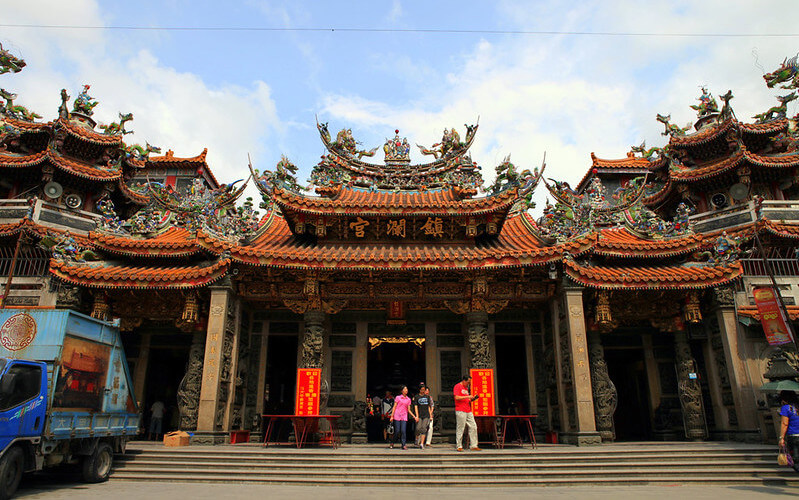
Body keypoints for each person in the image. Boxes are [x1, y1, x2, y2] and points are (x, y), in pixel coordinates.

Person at [453, 375, 481, 452]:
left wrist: (473, 398)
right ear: (464, 381)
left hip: (468, 410)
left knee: (473, 426)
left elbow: (467, 399)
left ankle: (473, 445)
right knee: (460, 428)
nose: (469, 384)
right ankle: (459, 445)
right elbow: (457, 397)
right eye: (468, 382)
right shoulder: (457, 386)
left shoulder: (466, 388)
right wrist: (467, 396)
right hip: (460, 410)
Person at [779, 390, 799, 473]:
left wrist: (781, 438)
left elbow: (784, 424)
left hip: (793, 436)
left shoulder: (787, 408)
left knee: (794, 460)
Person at [389, 385, 412, 450]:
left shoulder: (408, 399)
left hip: (404, 416)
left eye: (407, 389)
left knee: (403, 431)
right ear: (402, 391)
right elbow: (394, 407)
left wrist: (414, 416)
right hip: (397, 415)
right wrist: (392, 416)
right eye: (405, 389)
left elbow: (409, 409)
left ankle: (403, 444)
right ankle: (392, 442)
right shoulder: (398, 397)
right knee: (397, 431)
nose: (406, 390)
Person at [413, 384, 432, 449]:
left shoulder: (427, 397)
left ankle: (421, 443)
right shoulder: (417, 397)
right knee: (418, 428)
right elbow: (415, 407)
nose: (423, 391)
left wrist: (430, 415)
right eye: (422, 390)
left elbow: (429, 407)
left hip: (426, 415)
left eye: (424, 390)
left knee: (424, 428)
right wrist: (417, 416)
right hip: (420, 415)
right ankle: (416, 438)